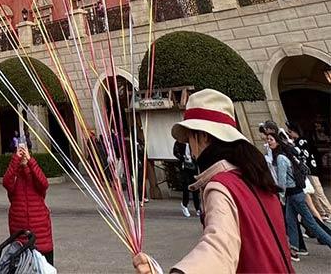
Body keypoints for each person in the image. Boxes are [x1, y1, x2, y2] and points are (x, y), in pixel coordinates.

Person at [132, 88, 292, 274]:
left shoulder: (221, 186)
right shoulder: (254, 176)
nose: (190, 148)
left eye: (190, 137)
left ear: (203, 136)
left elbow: (218, 249)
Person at [267, 131, 331, 261]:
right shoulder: (285, 154)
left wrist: (281, 195)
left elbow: (282, 181)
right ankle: (294, 249)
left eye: (271, 140)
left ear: (277, 142)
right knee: (291, 221)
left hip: (294, 194)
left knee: (312, 224)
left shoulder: (280, 158)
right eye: (268, 139)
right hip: (294, 194)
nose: (268, 142)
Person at [2, 142, 53, 265]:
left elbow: (44, 183)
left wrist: (30, 162)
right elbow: (6, 182)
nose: (23, 156)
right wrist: (15, 160)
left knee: (43, 268)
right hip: (20, 233)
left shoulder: (35, 174)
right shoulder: (15, 177)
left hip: (40, 234)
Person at [286, 122, 331, 220]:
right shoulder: (297, 141)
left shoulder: (302, 141)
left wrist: (291, 145)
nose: (289, 134)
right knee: (313, 193)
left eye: (290, 132)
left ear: (295, 131)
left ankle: (328, 211)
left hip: (310, 169)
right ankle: (322, 212)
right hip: (306, 171)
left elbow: (302, 154)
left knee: (318, 192)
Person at [173, 140, 200, 218]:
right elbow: (175, 152)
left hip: (193, 166)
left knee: (195, 187)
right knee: (186, 186)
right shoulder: (179, 142)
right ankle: (184, 205)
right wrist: (182, 157)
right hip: (184, 166)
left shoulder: (194, 141)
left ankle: (198, 207)